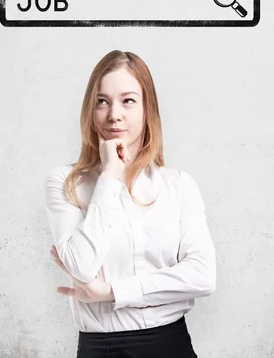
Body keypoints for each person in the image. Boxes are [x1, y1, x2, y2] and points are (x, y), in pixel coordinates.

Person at [44, 50, 216, 358]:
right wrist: (111, 174)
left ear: (147, 108)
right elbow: (82, 266)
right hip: (102, 347)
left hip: (171, 344)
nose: (114, 114)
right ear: (90, 109)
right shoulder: (65, 182)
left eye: (128, 100)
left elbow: (202, 275)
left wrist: (112, 292)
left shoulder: (178, 185)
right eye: (102, 101)